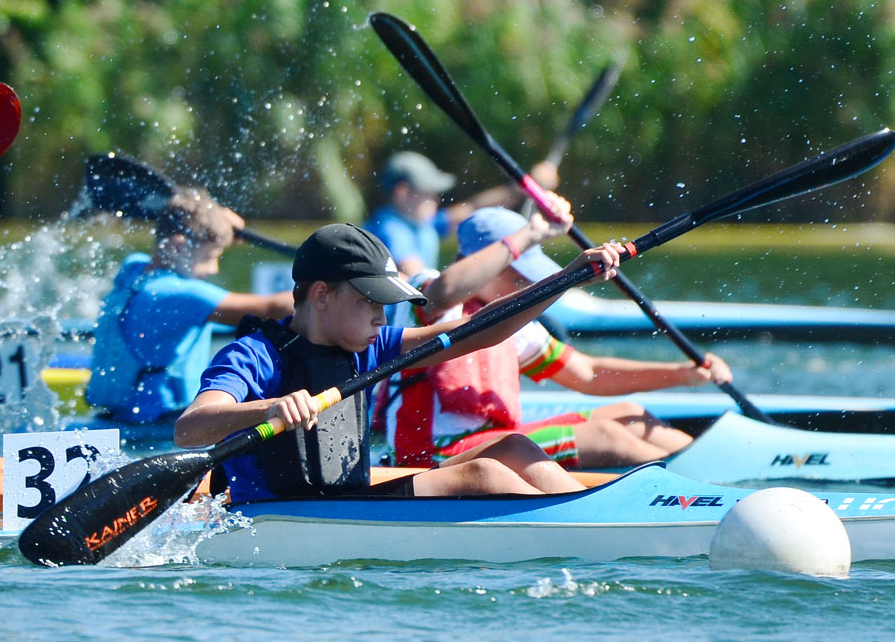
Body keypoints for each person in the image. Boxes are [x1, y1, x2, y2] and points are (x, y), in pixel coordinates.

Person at [173, 223, 625, 504]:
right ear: (321, 295)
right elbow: (190, 427)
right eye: (370, 301)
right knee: (483, 474)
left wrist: (566, 277)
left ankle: (604, 519)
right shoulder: (255, 356)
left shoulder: (371, 344)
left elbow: (481, 329)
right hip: (283, 512)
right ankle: (581, 530)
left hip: (346, 494)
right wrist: (269, 409)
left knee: (513, 448)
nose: (381, 317)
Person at [388, 206, 734, 469]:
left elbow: (588, 373)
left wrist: (683, 375)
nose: (528, 286)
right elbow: (443, 292)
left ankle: (714, 474)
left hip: (489, 444)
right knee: (606, 437)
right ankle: (691, 493)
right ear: (487, 263)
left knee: (630, 414)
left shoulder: (513, 324)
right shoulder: (425, 295)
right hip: (429, 455)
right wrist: (529, 233)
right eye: (519, 275)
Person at [87, 190, 294, 423]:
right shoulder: (179, 295)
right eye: (209, 256)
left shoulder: (133, 268)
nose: (213, 269)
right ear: (177, 247)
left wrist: (215, 225)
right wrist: (321, 283)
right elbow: (272, 309)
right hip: (158, 429)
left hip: (114, 418)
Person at [362, 150, 555, 277]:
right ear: (401, 192)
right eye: (428, 193)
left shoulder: (420, 224)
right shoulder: (390, 230)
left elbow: (472, 208)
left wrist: (522, 188)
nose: (435, 200)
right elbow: (419, 280)